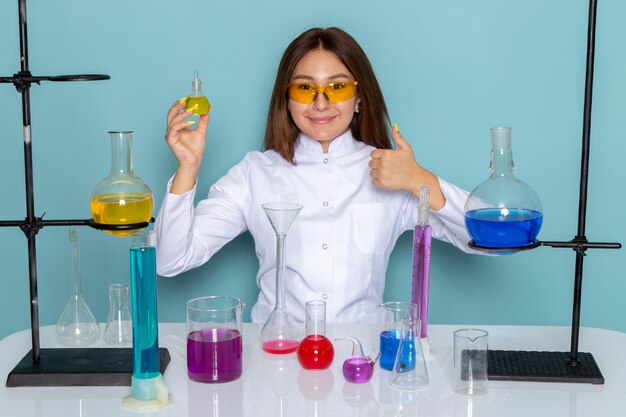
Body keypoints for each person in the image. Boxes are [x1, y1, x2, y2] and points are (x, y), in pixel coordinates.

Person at [155, 27, 479, 324]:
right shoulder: (254, 174)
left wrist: (420, 180)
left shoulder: (392, 172)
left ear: (359, 98)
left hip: (362, 360)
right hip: (276, 358)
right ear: (287, 98)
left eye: (337, 87)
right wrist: (188, 167)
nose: (320, 103)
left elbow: (487, 240)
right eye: (305, 88)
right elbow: (171, 261)